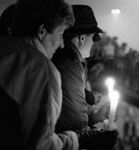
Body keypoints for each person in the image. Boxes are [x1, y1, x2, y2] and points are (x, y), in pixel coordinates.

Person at [0, 0, 79, 149]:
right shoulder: (41, 70)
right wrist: (72, 140)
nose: (62, 44)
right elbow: (40, 144)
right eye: (60, 34)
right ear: (42, 31)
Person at [52, 5, 118, 150]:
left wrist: (95, 115)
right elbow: (75, 120)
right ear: (82, 38)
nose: (95, 42)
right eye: (93, 37)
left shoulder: (72, 61)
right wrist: (97, 137)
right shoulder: (70, 63)